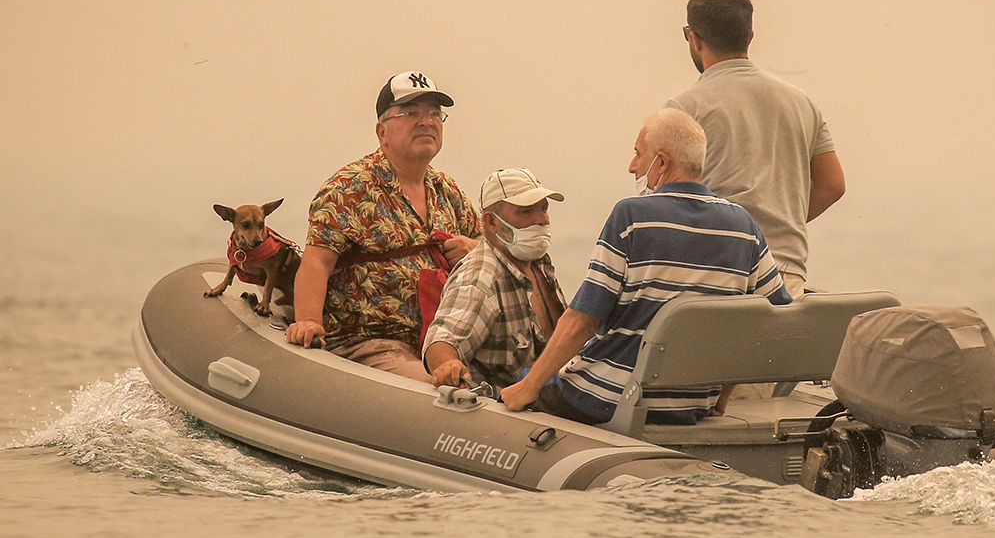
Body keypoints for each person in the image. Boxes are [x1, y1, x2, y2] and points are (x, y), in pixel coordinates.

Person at [501, 108, 791, 426]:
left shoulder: (632, 217)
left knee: (516, 386)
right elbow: (766, 322)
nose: (633, 166)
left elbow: (582, 322)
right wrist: (720, 397)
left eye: (639, 155)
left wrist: (527, 388)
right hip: (689, 407)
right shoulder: (743, 226)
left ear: (662, 162)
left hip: (606, 399)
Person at [285, 72, 481, 382]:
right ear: (382, 131)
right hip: (371, 343)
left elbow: (487, 245)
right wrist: (308, 321)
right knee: (450, 391)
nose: (425, 121)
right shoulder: (350, 188)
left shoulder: (447, 190)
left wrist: (472, 248)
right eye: (410, 113)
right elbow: (317, 262)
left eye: (433, 113)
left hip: (440, 340)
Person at [666, 0, 846, 298]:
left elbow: (663, 200)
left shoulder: (684, 109)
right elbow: (833, 184)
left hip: (712, 272)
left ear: (693, 38)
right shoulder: (799, 102)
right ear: (749, 35)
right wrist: (781, 216)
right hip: (784, 273)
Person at [423, 168, 568, 390]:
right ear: (492, 223)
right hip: (509, 412)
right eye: (526, 211)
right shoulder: (480, 277)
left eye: (544, 208)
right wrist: (447, 365)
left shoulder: (538, 263)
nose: (542, 219)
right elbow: (443, 339)